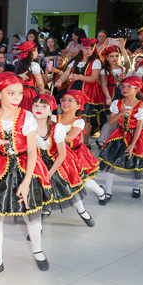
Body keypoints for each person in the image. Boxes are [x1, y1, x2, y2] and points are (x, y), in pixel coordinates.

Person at [0, 73, 53, 279]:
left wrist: (26, 182)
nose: (17, 98)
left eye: (20, 93)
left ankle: (37, 250)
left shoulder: (27, 117)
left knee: (31, 212)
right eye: (11, 93)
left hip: (26, 167)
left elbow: (33, 151)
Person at [32, 94, 92, 226]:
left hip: (57, 162)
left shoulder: (56, 128)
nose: (39, 108)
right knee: (39, 190)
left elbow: (62, 154)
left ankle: (82, 211)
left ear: (50, 112)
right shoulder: (28, 126)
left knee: (68, 188)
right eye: (35, 105)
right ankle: (42, 217)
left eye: (44, 106)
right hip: (38, 163)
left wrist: (49, 173)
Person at [98, 77, 143, 201]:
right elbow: (110, 122)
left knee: (135, 164)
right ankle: (108, 191)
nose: (124, 89)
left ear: (137, 89)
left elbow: (139, 127)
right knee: (110, 162)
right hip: (119, 135)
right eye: (123, 86)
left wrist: (133, 144)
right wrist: (121, 113)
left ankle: (136, 188)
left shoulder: (140, 105)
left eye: (129, 87)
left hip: (136, 137)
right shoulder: (117, 103)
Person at [55, 90, 108, 204]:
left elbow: (69, 138)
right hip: (57, 153)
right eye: (63, 100)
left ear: (78, 106)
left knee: (84, 181)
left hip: (75, 155)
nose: (65, 103)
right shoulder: (54, 118)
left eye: (70, 100)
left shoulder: (79, 122)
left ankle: (101, 193)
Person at [55, 38, 106, 147]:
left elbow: (93, 78)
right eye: (86, 48)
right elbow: (66, 73)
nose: (88, 51)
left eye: (91, 49)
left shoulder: (96, 61)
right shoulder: (75, 60)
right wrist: (60, 80)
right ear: (82, 48)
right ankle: (71, 139)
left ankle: (85, 143)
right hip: (74, 90)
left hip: (88, 91)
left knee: (86, 118)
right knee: (71, 114)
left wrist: (78, 77)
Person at [96, 45, 125, 147]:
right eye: (111, 56)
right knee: (111, 119)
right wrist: (108, 97)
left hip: (120, 94)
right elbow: (103, 84)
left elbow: (124, 82)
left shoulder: (122, 68)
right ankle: (100, 139)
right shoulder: (104, 70)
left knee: (117, 120)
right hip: (110, 93)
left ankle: (108, 141)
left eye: (116, 56)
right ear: (107, 58)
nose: (114, 58)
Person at [13, 41, 45, 111]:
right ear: (32, 52)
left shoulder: (18, 64)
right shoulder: (34, 65)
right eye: (36, 51)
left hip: (18, 91)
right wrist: (42, 92)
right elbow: (40, 83)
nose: (37, 53)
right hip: (29, 93)